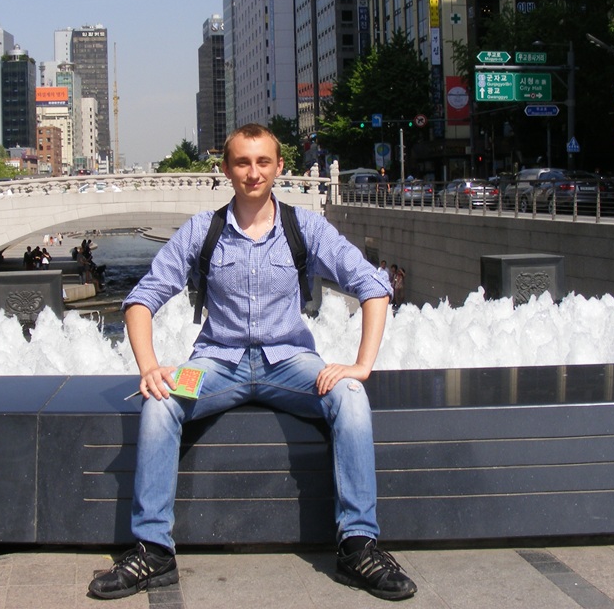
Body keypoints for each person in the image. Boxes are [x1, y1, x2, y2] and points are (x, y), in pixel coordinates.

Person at [87, 123, 415, 602]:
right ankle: (154, 550)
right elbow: (141, 300)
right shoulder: (203, 230)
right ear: (226, 169)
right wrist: (150, 366)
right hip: (216, 364)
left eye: (263, 162)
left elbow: (373, 286)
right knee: (159, 403)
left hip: (291, 362)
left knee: (350, 396)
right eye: (242, 162)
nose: (253, 172)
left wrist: (360, 365)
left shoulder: (306, 228)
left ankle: (357, 545)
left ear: (280, 167)